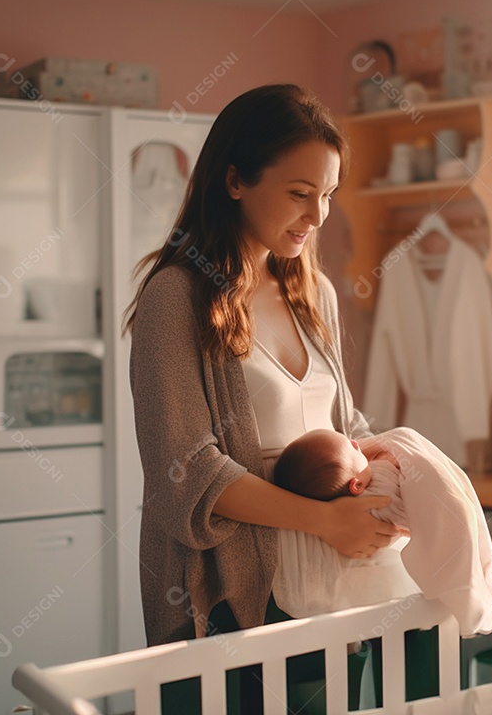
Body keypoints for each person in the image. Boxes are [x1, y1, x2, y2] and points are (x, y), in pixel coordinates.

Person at [124, 83, 400, 650]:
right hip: (234, 588)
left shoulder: (314, 293)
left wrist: (399, 476)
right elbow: (189, 472)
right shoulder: (175, 298)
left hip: (330, 577)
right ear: (234, 181)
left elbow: (347, 424)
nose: (317, 215)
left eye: (327, 194)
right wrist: (327, 521)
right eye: (300, 192)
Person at [272, 427, 492, 637]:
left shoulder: (362, 480)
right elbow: (428, 505)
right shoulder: (379, 491)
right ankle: (465, 594)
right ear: (357, 486)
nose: (356, 442)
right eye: (352, 449)